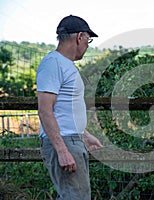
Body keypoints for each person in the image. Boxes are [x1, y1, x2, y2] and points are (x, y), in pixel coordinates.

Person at [36, 15, 102, 200]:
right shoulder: (53, 64)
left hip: (72, 140)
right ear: (79, 36)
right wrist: (63, 151)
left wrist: (84, 135)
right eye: (88, 40)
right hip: (65, 142)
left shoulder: (65, 65)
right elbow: (45, 111)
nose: (88, 45)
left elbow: (64, 110)